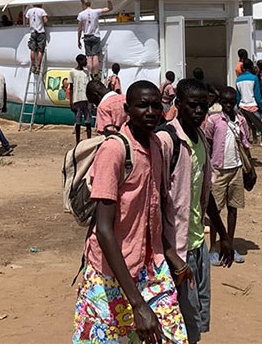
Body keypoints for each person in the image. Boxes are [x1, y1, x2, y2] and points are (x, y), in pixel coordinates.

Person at [73, 80, 187, 344]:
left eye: (156, 105)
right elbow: (103, 229)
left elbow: (152, 211)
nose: (150, 112)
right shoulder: (114, 150)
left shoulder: (157, 145)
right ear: (127, 109)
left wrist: (171, 255)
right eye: (142, 105)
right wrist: (137, 304)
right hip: (110, 272)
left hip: (152, 266)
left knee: (172, 338)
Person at [156, 78, 227, 343]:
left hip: (198, 247)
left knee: (195, 319)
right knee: (177, 323)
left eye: (203, 107)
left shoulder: (200, 139)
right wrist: (171, 256)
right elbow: (155, 202)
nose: (198, 111)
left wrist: (223, 236)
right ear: (178, 105)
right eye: (193, 105)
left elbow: (204, 195)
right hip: (175, 249)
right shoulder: (167, 140)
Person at [204, 85, 248, 267]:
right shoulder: (213, 121)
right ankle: (214, 248)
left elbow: (245, 144)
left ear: (236, 102)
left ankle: (229, 244)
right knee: (216, 211)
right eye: (225, 102)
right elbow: (207, 142)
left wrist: (249, 169)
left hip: (236, 169)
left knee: (233, 208)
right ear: (220, 102)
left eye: (232, 102)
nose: (229, 105)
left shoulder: (241, 121)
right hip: (219, 170)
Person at [235, 59, 262, 168]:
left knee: (244, 134)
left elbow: (238, 97)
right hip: (252, 107)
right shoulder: (254, 78)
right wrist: (261, 111)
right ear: (251, 67)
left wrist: (239, 107)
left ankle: (247, 159)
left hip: (242, 107)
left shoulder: (238, 80)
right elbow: (257, 96)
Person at [76, 0, 113, 78]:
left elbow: (79, 29)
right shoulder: (96, 11)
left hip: (87, 36)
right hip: (95, 36)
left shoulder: (81, 14)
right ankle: (96, 74)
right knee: (95, 56)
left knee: (89, 57)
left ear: (83, 4)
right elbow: (109, 8)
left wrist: (78, 40)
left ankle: (90, 74)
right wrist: (109, 1)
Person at [69, 54, 91, 144]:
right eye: (84, 60)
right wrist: (71, 103)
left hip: (86, 100)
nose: (86, 62)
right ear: (80, 61)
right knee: (78, 122)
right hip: (77, 100)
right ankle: (77, 141)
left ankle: (89, 141)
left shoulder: (86, 72)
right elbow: (71, 88)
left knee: (88, 121)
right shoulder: (72, 72)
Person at [25, 4, 48, 74]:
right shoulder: (42, 11)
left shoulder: (29, 11)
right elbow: (45, 20)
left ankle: (33, 65)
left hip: (32, 32)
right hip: (40, 32)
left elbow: (27, 21)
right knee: (40, 50)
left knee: (32, 50)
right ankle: (38, 66)